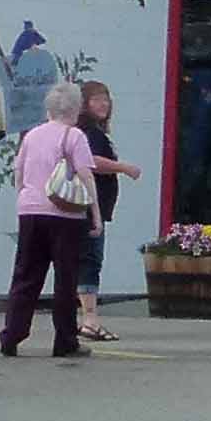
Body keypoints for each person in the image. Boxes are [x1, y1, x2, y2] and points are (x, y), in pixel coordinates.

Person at [2, 79, 104, 359]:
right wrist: (95, 214)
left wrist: (25, 198)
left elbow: (19, 173)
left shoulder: (31, 136)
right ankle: (65, 341)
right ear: (77, 109)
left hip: (30, 211)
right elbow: (86, 176)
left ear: (48, 109)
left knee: (25, 275)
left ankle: (11, 335)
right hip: (65, 215)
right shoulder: (75, 136)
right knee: (65, 278)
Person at [72, 78, 142, 344]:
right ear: (84, 104)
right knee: (90, 260)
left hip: (95, 208)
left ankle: (81, 318)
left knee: (85, 260)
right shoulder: (89, 133)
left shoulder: (95, 133)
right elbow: (90, 161)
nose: (103, 104)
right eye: (96, 99)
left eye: (106, 99)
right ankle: (90, 320)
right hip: (89, 208)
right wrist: (123, 167)